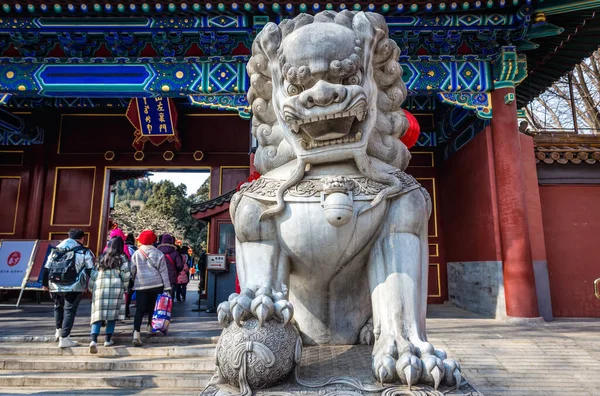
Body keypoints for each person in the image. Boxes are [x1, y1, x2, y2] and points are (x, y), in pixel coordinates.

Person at [42, 229, 95, 348]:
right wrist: (93, 283)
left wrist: (45, 284)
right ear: (82, 239)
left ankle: (59, 331)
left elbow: (46, 268)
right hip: (74, 286)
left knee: (58, 307)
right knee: (69, 310)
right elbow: (90, 270)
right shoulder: (84, 251)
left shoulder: (55, 251)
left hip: (55, 285)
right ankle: (65, 338)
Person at [88, 236, 131, 354]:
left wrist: (91, 288)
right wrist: (126, 288)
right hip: (116, 289)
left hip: (100, 288)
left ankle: (93, 340)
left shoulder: (101, 258)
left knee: (97, 315)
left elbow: (93, 275)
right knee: (112, 315)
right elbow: (126, 275)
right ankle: (107, 339)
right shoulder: (122, 259)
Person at [130, 229, 171, 346]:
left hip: (141, 285)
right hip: (156, 284)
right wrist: (167, 287)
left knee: (140, 310)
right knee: (153, 308)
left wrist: (134, 279)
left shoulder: (136, 254)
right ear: (153, 240)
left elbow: (132, 269)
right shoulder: (159, 254)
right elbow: (163, 272)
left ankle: (136, 334)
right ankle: (149, 328)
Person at [124, 233, 137, 318]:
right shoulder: (134, 249)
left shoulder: (121, 248)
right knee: (128, 292)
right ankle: (126, 310)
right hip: (129, 274)